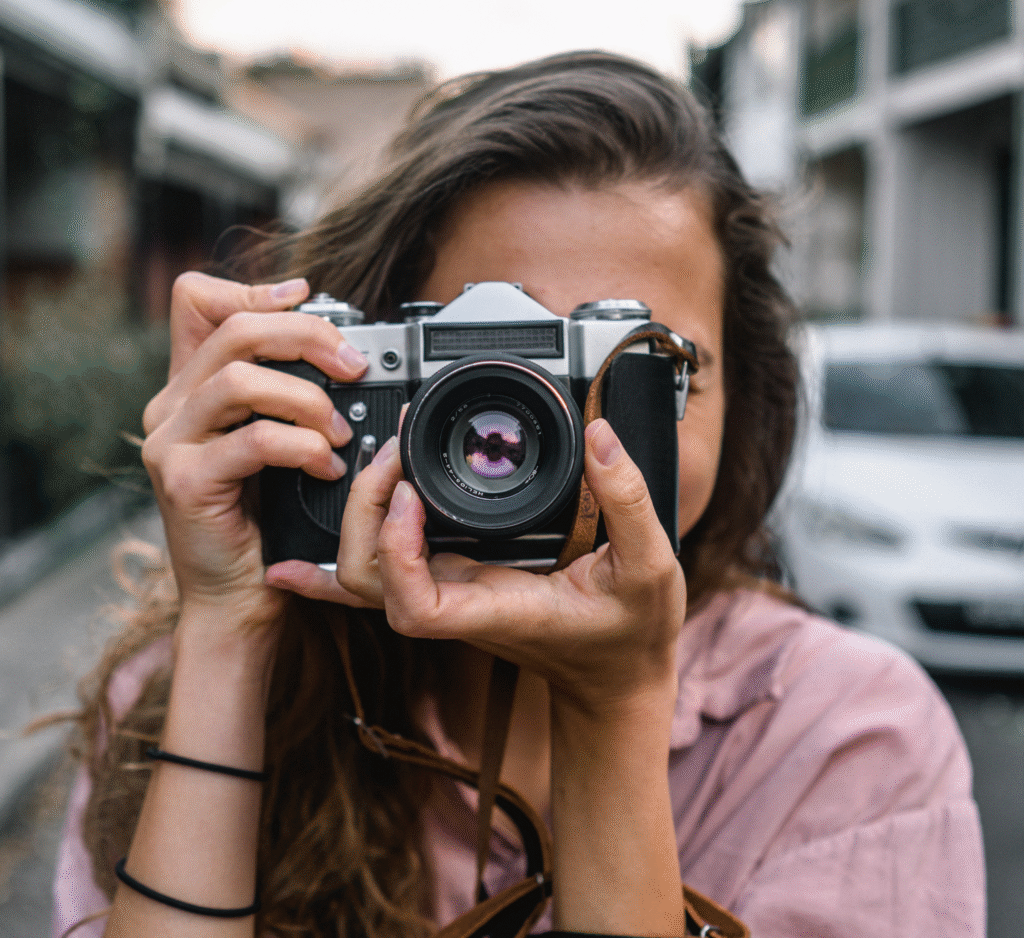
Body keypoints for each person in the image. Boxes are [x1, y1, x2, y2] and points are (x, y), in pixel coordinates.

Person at [52, 51, 984, 938]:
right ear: (362, 375)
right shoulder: (177, 692)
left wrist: (613, 706)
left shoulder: (849, 737)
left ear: (744, 400)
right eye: (490, 370)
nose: (553, 435)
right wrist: (229, 633)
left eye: (642, 366)